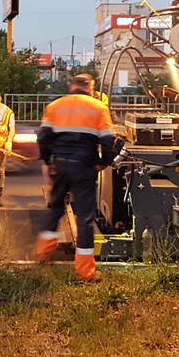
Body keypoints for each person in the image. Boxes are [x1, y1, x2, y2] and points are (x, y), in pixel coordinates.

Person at [36, 73, 115, 282]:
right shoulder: (98, 107)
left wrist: (48, 160)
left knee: (55, 209)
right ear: (90, 87)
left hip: (60, 165)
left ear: (72, 86)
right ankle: (84, 272)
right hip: (85, 167)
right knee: (85, 218)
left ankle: (43, 255)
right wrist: (103, 162)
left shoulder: (55, 106)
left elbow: (43, 137)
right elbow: (108, 141)